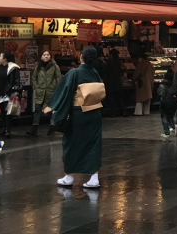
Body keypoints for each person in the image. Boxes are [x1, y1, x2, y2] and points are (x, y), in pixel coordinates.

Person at [45, 46, 105, 188]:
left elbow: (64, 91)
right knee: (93, 143)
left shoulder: (74, 72)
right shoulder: (95, 72)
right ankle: (94, 177)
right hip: (95, 111)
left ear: (81, 57)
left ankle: (69, 176)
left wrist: (52, 106)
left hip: (79, 113)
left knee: (71, 143)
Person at [27, 50, 62, 136]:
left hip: (50, 92)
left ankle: (53, 126)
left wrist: (57, 90)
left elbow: (58, 78)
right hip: (40, 91)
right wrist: (36, 87)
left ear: (50, 56)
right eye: (44, 55)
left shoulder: (55, 66)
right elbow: (34, 77)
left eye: (48, 55)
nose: (46, 56)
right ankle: (34, 127)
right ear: (41, 57)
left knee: (50, 110)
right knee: (37, 109)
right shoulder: (38, 66)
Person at [0, 51, 21, 138]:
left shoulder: (13, 68)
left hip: (9, 93)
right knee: (2, 112)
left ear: (5, 59)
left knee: (8, 112)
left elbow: (17, 80)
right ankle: (4, 128)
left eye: (0, 56)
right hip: (0, 92)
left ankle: (8, 130)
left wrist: (16, 90)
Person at [103, 49, 127, 117]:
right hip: (118, 81)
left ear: (111, 55)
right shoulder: (119, 62)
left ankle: (113, 113)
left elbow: (106, 72)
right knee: (120, 98)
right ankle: (124, 111)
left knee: (111, 98)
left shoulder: (109, 62)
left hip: (111, 82)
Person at [158, 70, 177, 140]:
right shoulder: (173, 86)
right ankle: (174, 127)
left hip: (164, 104)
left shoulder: (162, 86)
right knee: (170, 117)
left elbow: (160, 94)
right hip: (172, 105)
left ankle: (166, 131)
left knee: (164, 118)